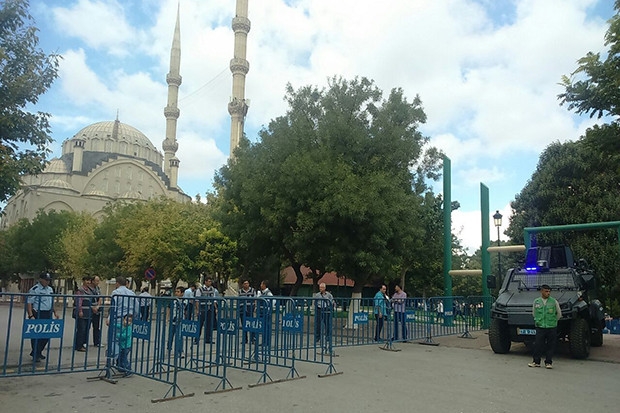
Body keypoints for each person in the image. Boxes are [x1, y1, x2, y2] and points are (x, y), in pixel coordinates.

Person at [106, 276, 137, 375]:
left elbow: (113, 308)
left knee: (115, 341)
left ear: (117, 283)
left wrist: (109, 319)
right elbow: (136, 308)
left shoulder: (116, 293)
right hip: (128, 321)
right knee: (125, 343)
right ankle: (120, 365)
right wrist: (133, 318)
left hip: (117, 320)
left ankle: (123, 365)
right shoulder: (132, 293)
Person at [26, 272, 59, 362]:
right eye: (45, 280)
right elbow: (29, 302)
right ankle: (36, 353)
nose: (47, 282)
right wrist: (30, 315)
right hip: (38, 313)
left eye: (48, 280)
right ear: (41, 279)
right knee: (36, 334)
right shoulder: (35, 289)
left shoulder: (50, 289)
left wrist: (55, 312)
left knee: (47, 334)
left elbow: (51, 301)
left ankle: (37, 351)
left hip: (47, 313)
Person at [528, 284, 562, 369]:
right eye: (546, 291)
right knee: (538, 345)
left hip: (551, 327)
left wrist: (553, 321)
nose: (548, 293)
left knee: (550, 345)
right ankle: (536, 362)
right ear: (541, 291)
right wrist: (538, 321)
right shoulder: (537, 301)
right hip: (540, 327)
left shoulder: (554, 301)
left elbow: (559, 314)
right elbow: (534, 313)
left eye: (549, 291)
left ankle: (548, 362)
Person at [195, 278, 219, 345]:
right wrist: (197, 309)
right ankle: (196, 339)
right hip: (202, 309)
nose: (210, 283)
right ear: (205, 282)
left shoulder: (213, 289)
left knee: (209, 324)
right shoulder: (200, 290)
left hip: (210, 309)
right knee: (200, 324)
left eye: (210, 281)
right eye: (208, 281)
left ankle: (208, 339)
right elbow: (197, 300)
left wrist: (216, 308)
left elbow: (214, 300)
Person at [74, 275, 94, 351]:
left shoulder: (90, 290)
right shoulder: (80, 290)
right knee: (81, 329)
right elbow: (79, 301)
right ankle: (79, 345)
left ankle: (82, 344)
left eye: (89, 281)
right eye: (87, 280)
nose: (88, 282)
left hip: (88, 312)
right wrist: (80, 311)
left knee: (86, 329)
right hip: (82, 312)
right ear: (83, 281)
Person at [313, 282, 334, 352]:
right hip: (319, 309)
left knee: (327, 324)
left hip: (326, 309)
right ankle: (317, 337)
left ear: (325, 288)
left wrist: (330, 307)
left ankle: (327, 337)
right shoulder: (317, 295)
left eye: (322, 287)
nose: (320, 289)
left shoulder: (329, 295)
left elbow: (332, 302)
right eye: (320, 287)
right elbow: (315, 302)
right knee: (318, 323)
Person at [167, 287, 185, 359]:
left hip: (180, 320)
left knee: (180, 337)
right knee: (170, 335)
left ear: (182, 293)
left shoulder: (185, 301)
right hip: (173, 320)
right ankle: (169, 349)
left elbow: (186, 311)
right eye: (176, 291)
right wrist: (167, 318)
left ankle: (180, 351)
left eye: (178, 292)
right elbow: (169, 308)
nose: (176, 293)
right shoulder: (173, 301)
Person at [238, 279, 256, 344]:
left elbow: (255, 299)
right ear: (243, 284)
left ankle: (253, 339)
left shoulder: (252, 290)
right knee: (243, 325)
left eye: (247, 283)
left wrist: (254, 307)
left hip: (250, 309)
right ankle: (245, 339)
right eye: (245, 283)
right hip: (242, 310)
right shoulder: (240, 291)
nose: (246, 284)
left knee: (251, 324)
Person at [257, 280, 274, 348]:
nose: (261, 285)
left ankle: (267, 342)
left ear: (264, 285)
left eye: (261, 284)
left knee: (267, 327)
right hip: (262, 312)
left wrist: (269, 309)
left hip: (266, 312)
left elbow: (273, 301)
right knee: (263, 327)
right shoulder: (262, 292)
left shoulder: (268, 293)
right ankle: (264, 341)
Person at [90, 275, 103, 347]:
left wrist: (98, 306)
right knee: (87, 327)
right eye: (96, 281)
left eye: (98, 281)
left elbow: (100, 298)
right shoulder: (89, 289)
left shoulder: (98, 288)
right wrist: (92, 307)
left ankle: (97, 342)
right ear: (92, 281)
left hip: (97, 310)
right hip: (90, 309)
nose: (98, 282)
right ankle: (83, 342)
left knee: (96, 327)